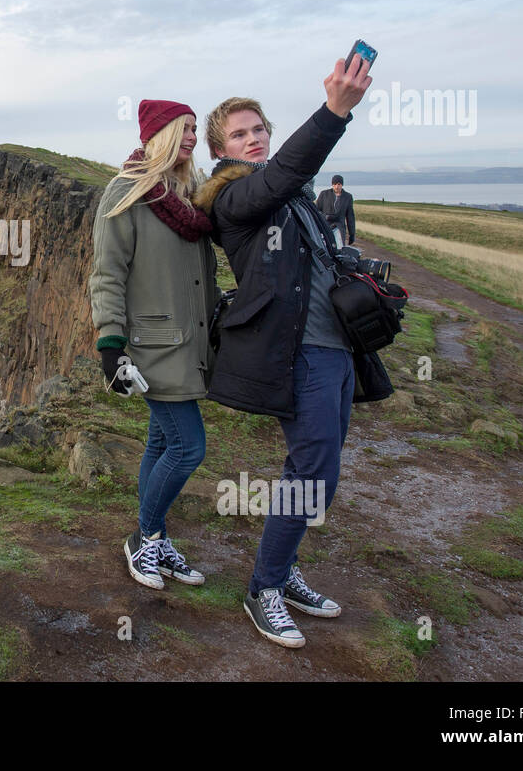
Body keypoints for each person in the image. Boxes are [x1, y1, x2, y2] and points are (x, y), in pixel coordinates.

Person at [192, 56, 392, 649]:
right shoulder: (237, 198)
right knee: (309, 471)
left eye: (260, 129)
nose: (253, 138)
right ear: (220, 150)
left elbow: (316, 250)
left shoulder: (296, 198)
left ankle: (284, 569)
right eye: (239, 133)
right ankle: (264, 587)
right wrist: (334, 112)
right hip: (294, 355)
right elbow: (283, 173)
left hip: (335, 350)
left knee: (321, 476)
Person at [89, 100, 219, 592]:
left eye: (193, 130)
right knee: (188, 447)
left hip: (190, 343)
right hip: (154, 346)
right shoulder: (127, 192)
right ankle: (143, 539)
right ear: (158, 135)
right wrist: (111, 345)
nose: (190, 137)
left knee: (162, 442)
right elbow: (107, 273)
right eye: (182, 130)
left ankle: (157, 538)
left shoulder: (186, 197)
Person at [315, 175, 355, 248]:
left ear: (342, 185)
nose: (336, 187)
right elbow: (316, 211)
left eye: (339, 184)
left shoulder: (348, 197)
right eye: (334, 184)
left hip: (339, 227)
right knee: (324, 248)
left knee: (339, 249)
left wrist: (352, 234)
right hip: (325, 226)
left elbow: (350, 217)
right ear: (332, 184)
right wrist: (325, 216)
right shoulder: (324, 194)